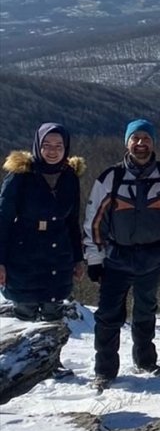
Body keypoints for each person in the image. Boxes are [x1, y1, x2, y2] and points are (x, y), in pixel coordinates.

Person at [84, 119, 160, 389]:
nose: (141, 143)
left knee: (146, 310)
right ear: (127, 142)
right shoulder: (110, 178)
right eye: (136, 138)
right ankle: (105, 370)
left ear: (154, 142)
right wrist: (94, 259)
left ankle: (145, 361)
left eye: (146, 138)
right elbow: (94, 220)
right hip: (115, 257)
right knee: (108, 315)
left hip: (154, 256)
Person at [0, 123, 85, 322]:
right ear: (38, 145)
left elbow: (72, 221)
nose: (52, 151)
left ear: (66, 148)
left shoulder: (70, 177)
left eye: (58, 145)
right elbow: (3, 219)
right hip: (23, 256)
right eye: (46, 144)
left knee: (53, 322)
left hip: (58, 256)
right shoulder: (20, 175)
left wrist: (78, 259)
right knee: (24, 320)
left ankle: (52, 355)